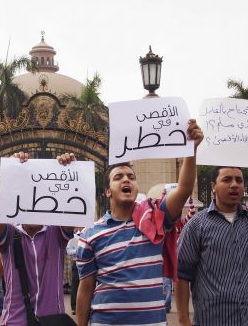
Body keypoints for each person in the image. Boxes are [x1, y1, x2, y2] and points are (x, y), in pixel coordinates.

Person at [76, 119, 203, 326]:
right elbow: (85, 289)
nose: (126, 179)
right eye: (118, 177)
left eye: (131, 176)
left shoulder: (155, 218)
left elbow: (184, 189)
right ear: (108, 191)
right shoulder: (91, 234)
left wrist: (192, 150)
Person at [177, 168, 248, 326]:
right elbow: (181, 275)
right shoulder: (196, 225)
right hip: (213, 320)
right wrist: (184, 321)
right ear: (213, 186)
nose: (234, 185)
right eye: (227, 180)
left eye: (239, 180)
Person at [0, 152, 75, 326]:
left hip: (53, 321)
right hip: (15, 321)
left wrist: (71, 169)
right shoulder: (10, 235)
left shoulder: (56, 234)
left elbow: (72, 207)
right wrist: (8, 175)